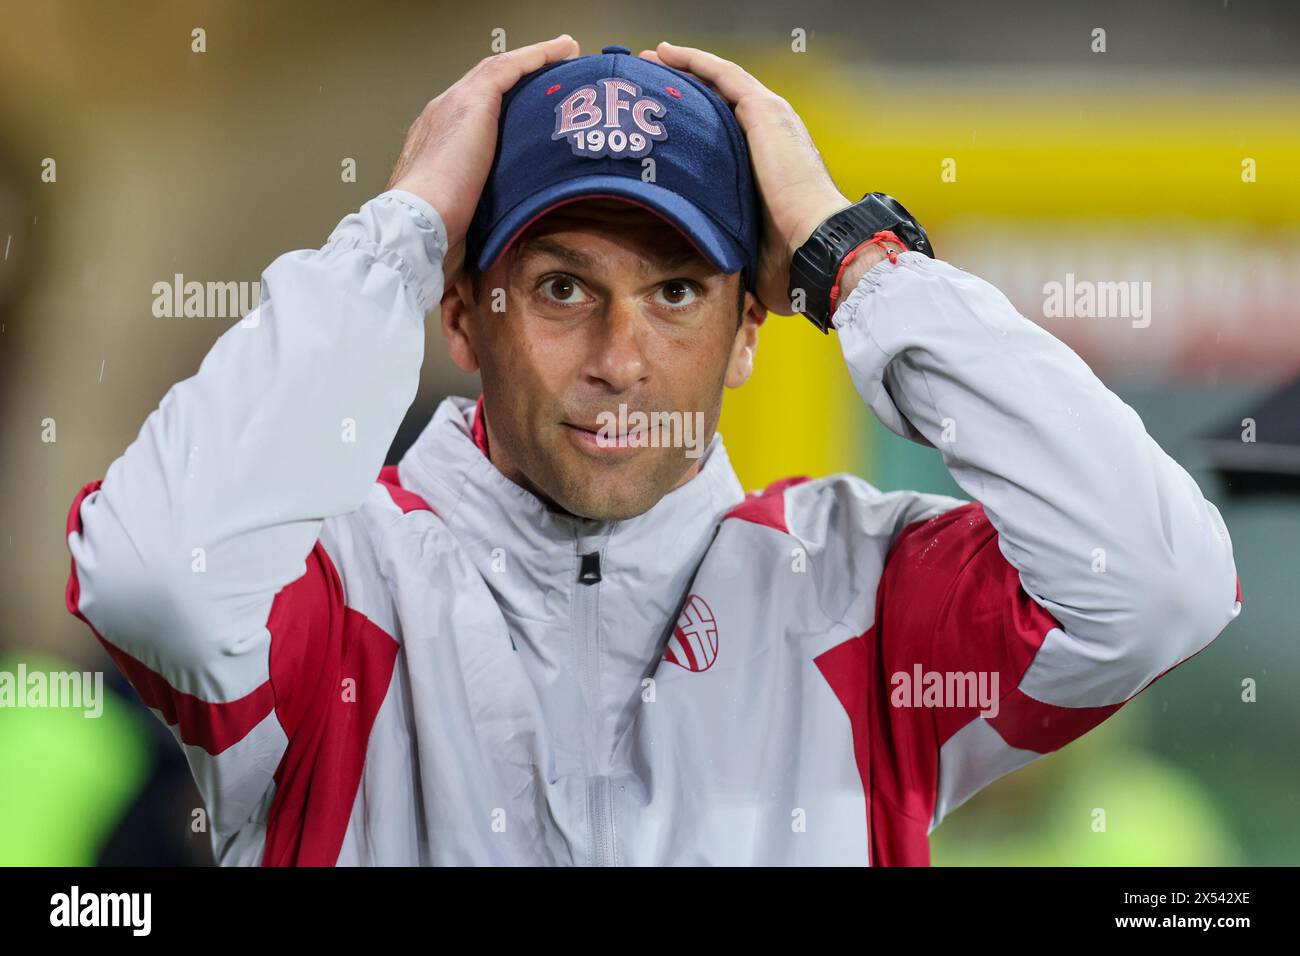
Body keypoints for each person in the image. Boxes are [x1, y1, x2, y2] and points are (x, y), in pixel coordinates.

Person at [64, 36, 1241, 866]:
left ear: (747, 331)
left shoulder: (858, 597)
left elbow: (1155, 583)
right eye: (563, 285)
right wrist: (398, 233)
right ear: (463, 312)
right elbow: (152, 571)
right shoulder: (340, 578)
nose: (620, 356)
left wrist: (861, 263)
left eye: (675, 290)